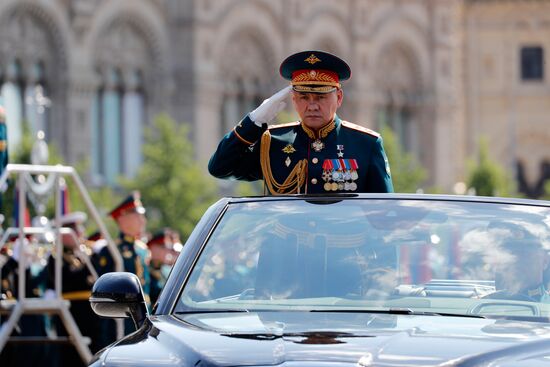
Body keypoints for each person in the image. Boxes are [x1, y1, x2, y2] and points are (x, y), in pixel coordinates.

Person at [209, 50, 393, 194]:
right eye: (304, 97)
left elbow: (382, 211)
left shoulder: (366, 144)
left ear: (339, 98)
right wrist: (254, 121)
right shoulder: (272, 142)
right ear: (294, 100)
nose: (312, 106)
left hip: (344, 241)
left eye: (320, 97)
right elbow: (220, 167)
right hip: (287, 242)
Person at [45, 211, 100, 365]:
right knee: (71, 356)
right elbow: (66, 281)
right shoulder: (56, 257)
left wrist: (93, 258)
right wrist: (86, 262)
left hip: (91, 314)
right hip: (71, 314)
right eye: (75, 230)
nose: (80, 233)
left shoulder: (86, 254)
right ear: (63, 234)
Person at [95, 191, 150, 344]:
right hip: (122, 317)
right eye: (138, 216)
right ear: (122, 218)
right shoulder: (112, 250)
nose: (142, 220)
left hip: (146, 313)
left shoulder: (142, 249)